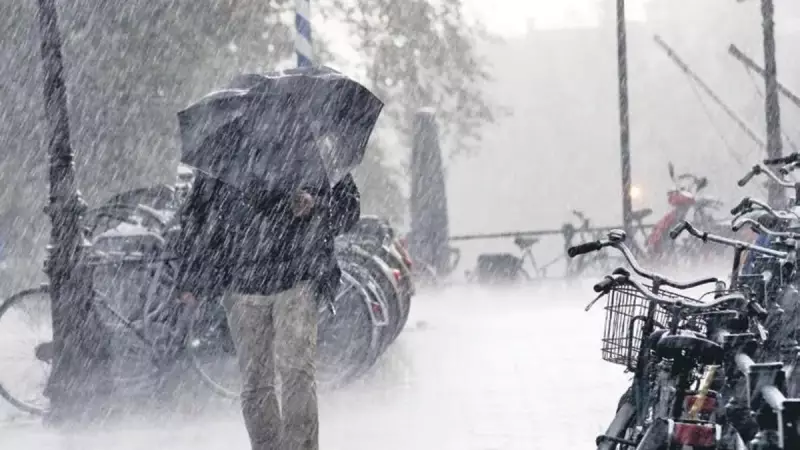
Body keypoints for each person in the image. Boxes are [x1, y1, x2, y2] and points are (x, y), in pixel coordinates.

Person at [171, 122, 361, 450]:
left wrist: (315, 205)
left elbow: (348, 209)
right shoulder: (226, 149)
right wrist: (191, 277)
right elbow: (197, 215)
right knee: (259, 380)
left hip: (296, 279)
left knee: (294, 373)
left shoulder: (312, 148)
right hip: (244, 284)